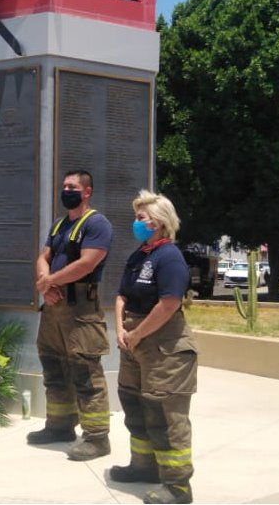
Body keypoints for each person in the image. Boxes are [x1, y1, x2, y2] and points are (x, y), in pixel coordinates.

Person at [111, 190, 197, 504]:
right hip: (134, 345)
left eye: (141, 218)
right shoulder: (139, 255)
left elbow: (169, 304)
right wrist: (121, 329)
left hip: (165, 348)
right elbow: (121, 296)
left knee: (166, 415)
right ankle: (144, 467)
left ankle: (177, 486)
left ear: (159, 222)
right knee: (136, 407)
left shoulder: (169, 256)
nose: (136, 223)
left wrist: (137, 334)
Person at [29, 169, 114, 461]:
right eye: (64, 185)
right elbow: (43, 257)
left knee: (86, 374)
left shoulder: (97, 224)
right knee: (54, 369)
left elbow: (87, 264)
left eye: (72, 186)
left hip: (80, 311)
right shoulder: (60, 224)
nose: (66, 190)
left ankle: (97, 438)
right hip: (53, 309)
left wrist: (50, 282)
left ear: (87, 191)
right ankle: (59, 426)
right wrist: (45, 285)